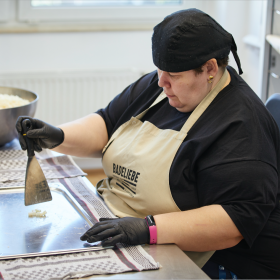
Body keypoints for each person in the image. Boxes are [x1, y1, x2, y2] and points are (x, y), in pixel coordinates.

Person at [16, 8, 280, 279]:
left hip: (218, 262)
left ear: (210, 69)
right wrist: (58, 136)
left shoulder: (242, 125)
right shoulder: (160, 88)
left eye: (174, 76)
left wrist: (148, 228)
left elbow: (234, 220)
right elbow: (108, 123)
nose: (161, 82)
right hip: (132, 226)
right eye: (159, 71)